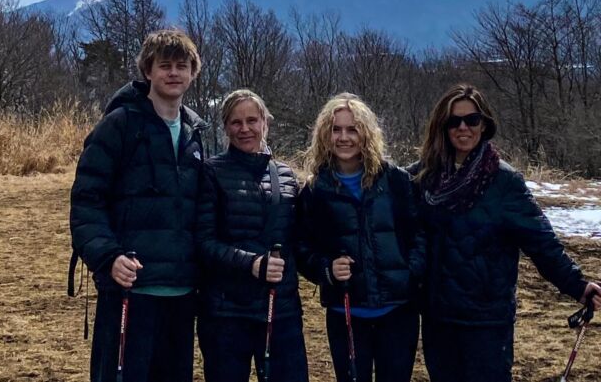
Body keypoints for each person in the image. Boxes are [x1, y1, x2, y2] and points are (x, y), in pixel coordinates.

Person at [413, 83, 601, 382]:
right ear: (442, 127)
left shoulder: (505, 182)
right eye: (454, 121)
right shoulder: (422, 178)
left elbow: (543, 244)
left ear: (484, 124)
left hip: (488, 323)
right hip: (439, 320)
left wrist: (578, 285)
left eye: (471, 120)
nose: (463, 127)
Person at [70, 28, 207, 382]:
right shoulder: (119, 126)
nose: (173, 73)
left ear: (193, 72)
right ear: (148, 71)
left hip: (181, 292)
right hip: (130, 291)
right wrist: (108, 256)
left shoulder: (195, 134)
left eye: (182, 65)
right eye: (164, 65)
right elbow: (87, 201)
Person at [297, 92, 425, 382]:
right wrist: (326, 269)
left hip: (398, 311)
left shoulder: (395, 180)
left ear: (366, 133)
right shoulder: (317, 190)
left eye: (352, 129)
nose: (344, 137)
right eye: (336, 129)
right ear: (324, 135)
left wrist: (410, 273)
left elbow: (420, 234)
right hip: (346, 313)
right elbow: (302, 247)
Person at [196, 88, 309, 382]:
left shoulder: (286, 176)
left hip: (281, 310)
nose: (244, 129)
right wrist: (253, 264)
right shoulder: (211, 172)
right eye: (236, 122)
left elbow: (301, 241)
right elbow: (203, 242)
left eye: (252, 120)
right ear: (226, 128)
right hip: (225, 314)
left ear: (265, 123)